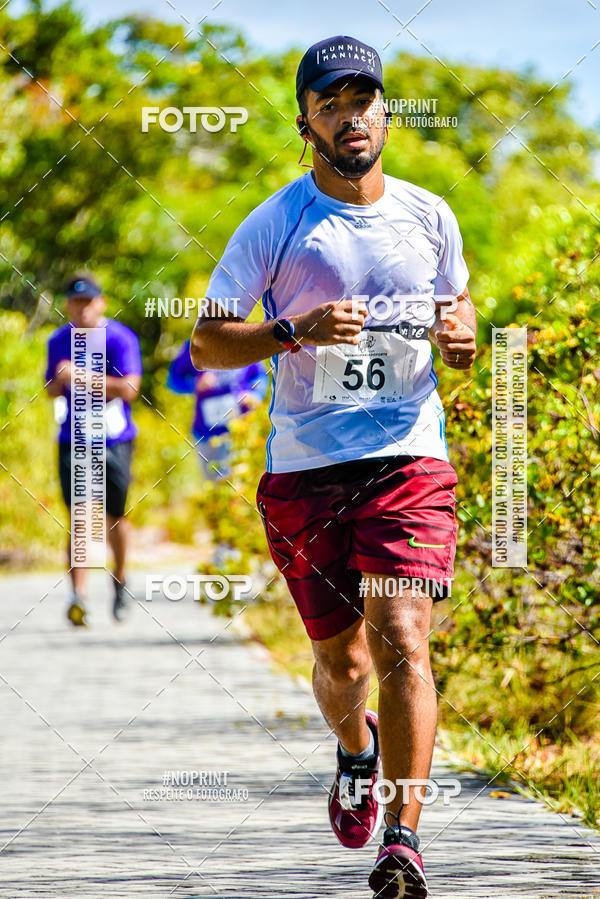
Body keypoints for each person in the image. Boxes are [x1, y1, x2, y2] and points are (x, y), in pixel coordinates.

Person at [190, 34, 477, 898]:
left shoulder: (430, 214)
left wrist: (462, 336)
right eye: (331, 105)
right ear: (306, 124)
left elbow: (458, 308)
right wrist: (293, 330)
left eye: (363, 101)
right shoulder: (275, 222)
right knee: (342, 663)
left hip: (409, 458)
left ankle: (403, 840)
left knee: (402, 636)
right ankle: (356, 750)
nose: (351, 118)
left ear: (385, 112)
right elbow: (207, 342)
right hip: (307, 468)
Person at [45, 274, 142, 625]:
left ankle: (120, 581)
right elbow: (51, 388)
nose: (82, 309)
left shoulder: (120, 338)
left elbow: (130, 388)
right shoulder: (58, 340)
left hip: (115, 439)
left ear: (101, 303)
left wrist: (81, 376)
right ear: (67, 305)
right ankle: (78, 597)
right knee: (80, 514)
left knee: (115, 517)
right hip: (74, 438)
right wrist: (59, 380)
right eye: (75, 302)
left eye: (88, 302)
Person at [166, 339, 268, 480]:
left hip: (242, 431)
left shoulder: (244, 338)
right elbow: (173, 380)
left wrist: (255, 394)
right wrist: (195, 384)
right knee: (216, 485)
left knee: (246, 483)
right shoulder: (195, 343)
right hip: (207, 434)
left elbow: (260, 375)